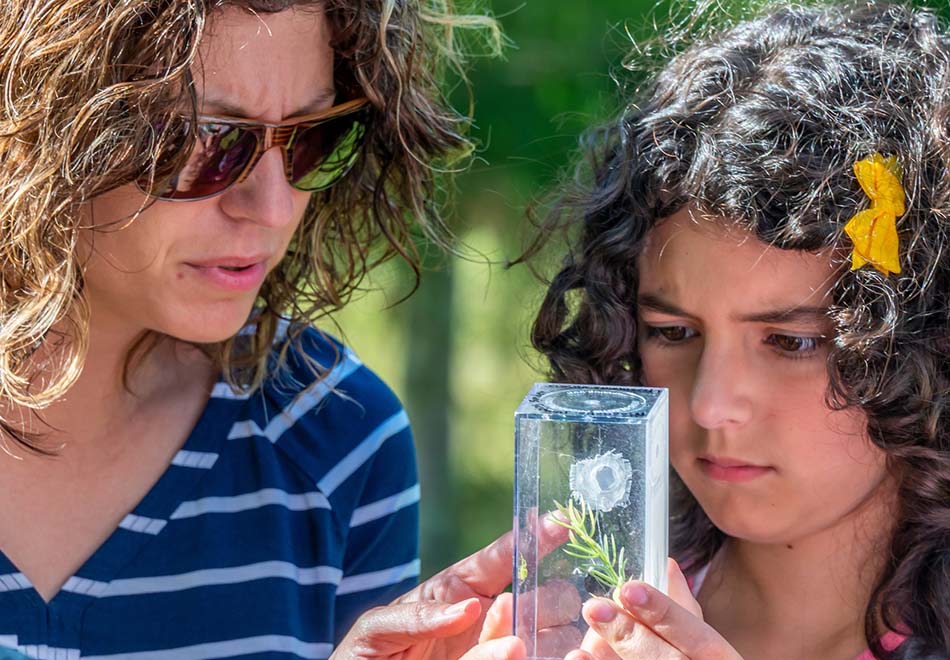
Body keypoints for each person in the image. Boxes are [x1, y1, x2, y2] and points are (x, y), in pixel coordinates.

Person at [0, 1, 514, 658]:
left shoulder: (337, 438)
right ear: (39, 118)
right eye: (209, 139)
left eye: (310, 138)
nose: (271, 207)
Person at [529, 2, 950, 659]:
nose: (709, 404)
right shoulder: (580, 625)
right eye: (671, 331)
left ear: (921, 339)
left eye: (791, 342)